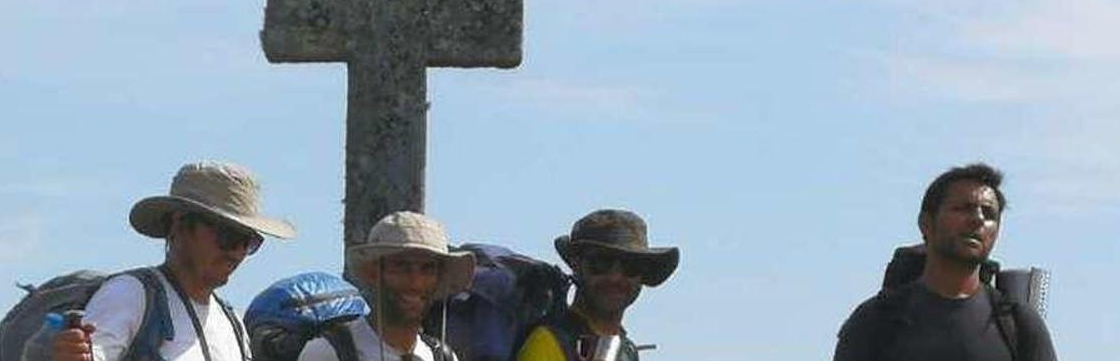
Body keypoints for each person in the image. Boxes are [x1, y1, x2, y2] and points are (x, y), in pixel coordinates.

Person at [52, 161, 296, 361]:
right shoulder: (129, 295)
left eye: (248, 241)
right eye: (228, 236)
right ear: (179, 224)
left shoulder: (233, 326)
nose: (237, 252)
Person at [832, 163, 1058, 361]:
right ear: (926, 223)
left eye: (989, 214)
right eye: (962, 208)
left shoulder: (1018, 325)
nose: (977, 219)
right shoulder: (876, 321)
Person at [296, 211, 475, 361]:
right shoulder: (329, 353)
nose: (415, 282)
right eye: (402, 267)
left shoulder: (441, 356)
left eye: (427, 269)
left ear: (439, 279)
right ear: (374, 273)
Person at [517, 209, 680, 361]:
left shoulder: (626, 351)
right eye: (602, 263)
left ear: (643, 274)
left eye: (631, 265)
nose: (615, 277)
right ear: (576, 265)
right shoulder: (548, 341)